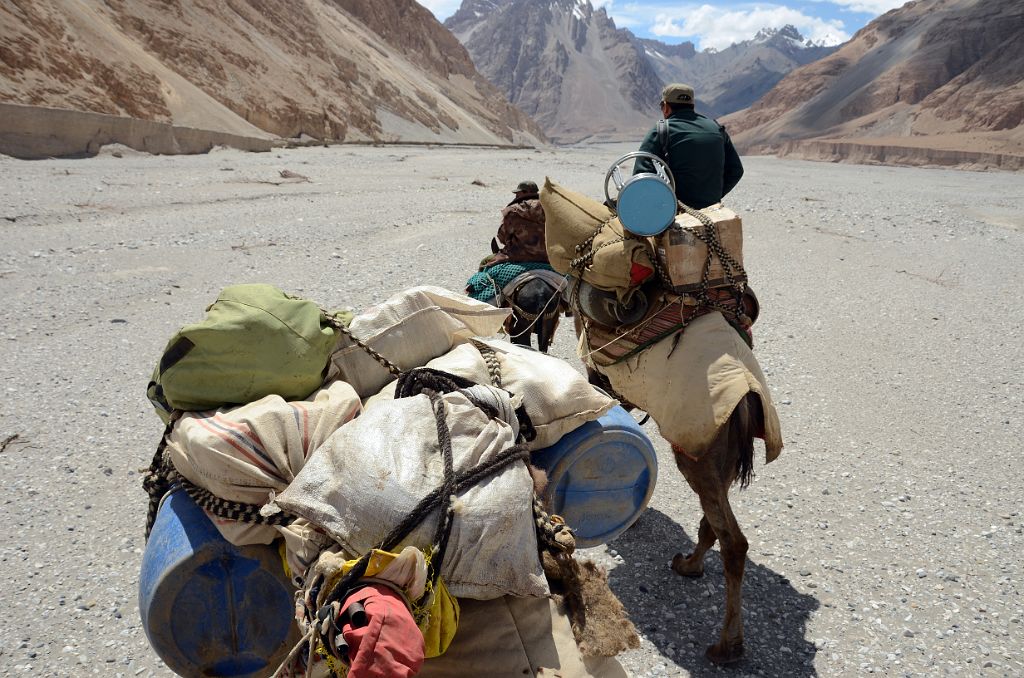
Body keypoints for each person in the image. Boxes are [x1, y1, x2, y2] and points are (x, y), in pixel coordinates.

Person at [634, 83, 743, 209]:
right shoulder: (716, 128)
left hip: (674, 212)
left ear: (665, 107)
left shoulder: (661, 130)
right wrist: (713, 196)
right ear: (692, 106)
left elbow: (641, 177)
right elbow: (736, 170)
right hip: (712, 209)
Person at [489, 180, 548, 265]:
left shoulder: (514, 210)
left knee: (485, 263)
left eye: (518, 193)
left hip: (517, 256)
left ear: (525, 192)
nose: (516, 196)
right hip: (547, 258)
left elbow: (502, 237)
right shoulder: (549, 208)